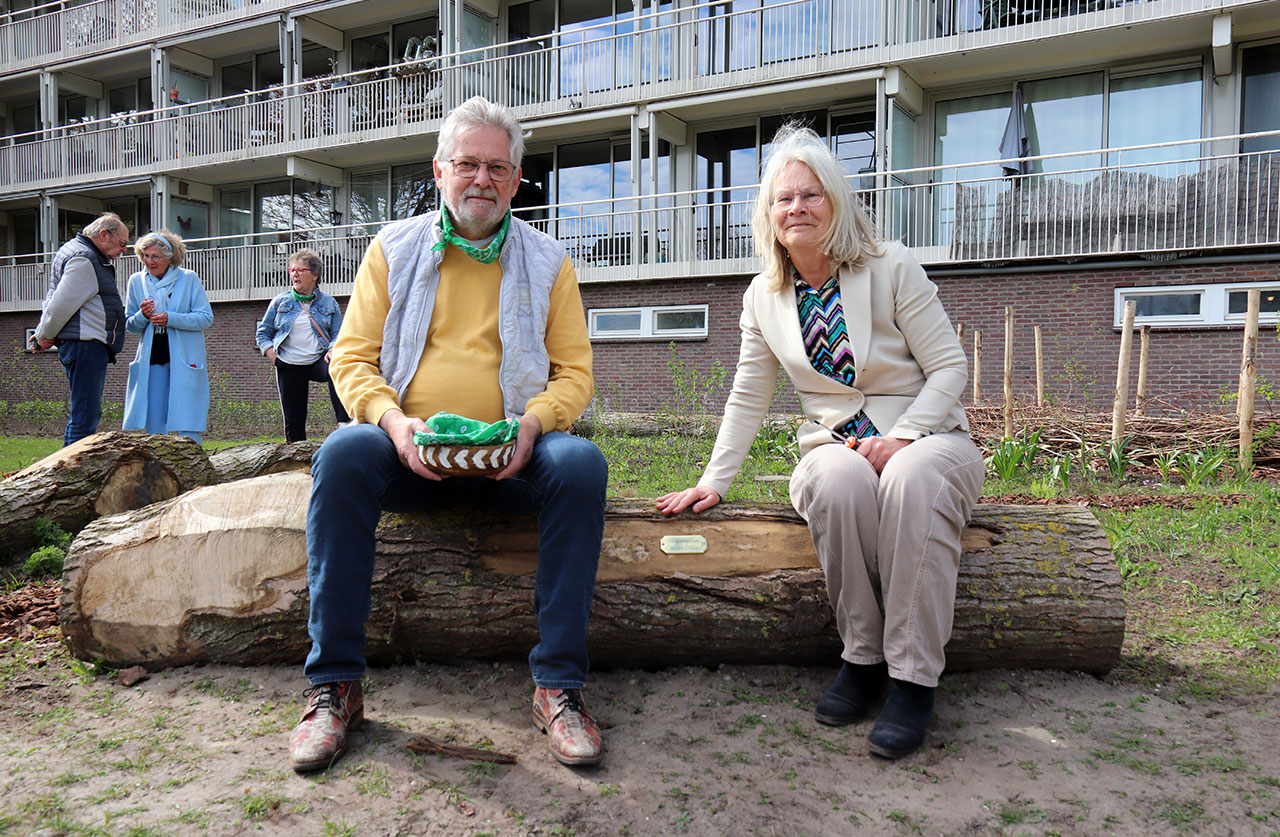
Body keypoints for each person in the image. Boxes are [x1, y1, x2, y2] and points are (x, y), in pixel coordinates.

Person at [289, 96, 607, 773]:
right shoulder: (393, 248)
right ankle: (335, 685)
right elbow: (350, 358)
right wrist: (397, 424)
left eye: (498, 167)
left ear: (517, 179)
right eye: (468, 164)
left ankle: (559, 686)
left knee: (580, 463)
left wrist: (531, 425)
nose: (482, 180)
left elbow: (575, 373)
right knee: (344, 449)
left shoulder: (549, 260)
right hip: (409, 459)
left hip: (513, 462)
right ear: (440, 170)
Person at [657, 126, 985, 760]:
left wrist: (904, 436)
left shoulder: (892, 266)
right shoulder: (763, 295)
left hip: (932, 438)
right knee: (835, 480)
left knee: (910, 478)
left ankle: (913, 679)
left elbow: (949, 367)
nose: (796, 209)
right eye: (783, 200)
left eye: (810, 196)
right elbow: (749, 394)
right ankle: (861, 658)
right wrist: (713, 481)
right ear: (769, 214)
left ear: (835, 201)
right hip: (833, 443)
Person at [30, 213, 129, 446]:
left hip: (81, 345)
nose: (124, 250)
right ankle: (70, 474)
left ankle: (66, 470)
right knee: (85, 416)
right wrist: (45, 335)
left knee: (82, 413)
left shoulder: (73, 250)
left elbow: (53, 297)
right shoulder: (85, 259)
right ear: (104, 235)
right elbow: (61, 305)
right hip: (86, 346)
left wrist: (43, 331)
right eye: (122, 243)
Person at [122, 230, 213, 442]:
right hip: (152, 358)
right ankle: (158, 464)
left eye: (155, 256)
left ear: (169, 257)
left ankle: (193, 460)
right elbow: (130, 325)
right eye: (145, 255)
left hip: (184, 356)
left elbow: (205, 318)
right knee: (154, 417)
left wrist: (170, 318)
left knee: (188, 414)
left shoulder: (188, 278)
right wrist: (142, 315)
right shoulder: (136, 281)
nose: (149, 261)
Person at [255, 248, 351, 442]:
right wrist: (274, 357)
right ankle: (296, 457)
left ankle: (344, 423)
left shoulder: (329, 303)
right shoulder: (280, 302)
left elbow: (338, 335)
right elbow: (263, 334)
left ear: (314, 275)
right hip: (288, 364)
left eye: (300, 270)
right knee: (294, 420)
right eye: (292, 270)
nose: (295, 274)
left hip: (317, 360)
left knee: (338, 366)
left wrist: (333, 349)